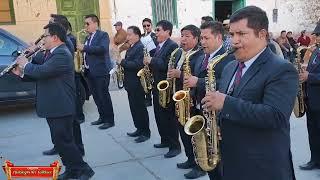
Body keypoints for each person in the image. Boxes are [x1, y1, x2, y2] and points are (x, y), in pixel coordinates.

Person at [202, 6, 298, 180]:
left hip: (262, 167)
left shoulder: (282, 69)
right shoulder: (230, 66)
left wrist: (225, 103)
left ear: (262, 34)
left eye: (241, 34)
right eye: (231, 35)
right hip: (231, 161)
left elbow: (275, 116)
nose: (234, 41)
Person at [12, 22, 94, 180]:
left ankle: (84, 170)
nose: (43, 39)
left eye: (45, 36)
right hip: (54, 105)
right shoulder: (52, 52)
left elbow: (42, 71)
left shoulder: (62, 53)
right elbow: (43, 74)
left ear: (55, 37)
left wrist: (26, 64)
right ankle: (72, 169)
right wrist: (20, 73)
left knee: (65, 142)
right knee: (60, 141)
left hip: (61, 106)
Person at [184, 21, 233, 180]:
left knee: (219, 157)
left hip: (217, 113)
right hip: (200, 109)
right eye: (201, 38)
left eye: (206, 38)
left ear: (219, 38)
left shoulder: (228, 59)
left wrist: (197, 81)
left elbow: (226, 84)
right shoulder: (201, 57)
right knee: (207, 154)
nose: (202, 42)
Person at [42, 14, 85, 157]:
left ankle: (77, 150)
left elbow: (52, 65)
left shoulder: (65, 43)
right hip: (61, 89)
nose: (49, 25)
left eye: (51, 23)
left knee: (71, 125)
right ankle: (60, 146)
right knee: (64, 129)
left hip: (66, 89)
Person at [167, 24, 205, 179]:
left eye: (187, 36)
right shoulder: (178, 53)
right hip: (180, 98)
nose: (183, 39)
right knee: (183, 132)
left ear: (196, 39)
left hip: (192, 100)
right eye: (182, 35)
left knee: (194, 135)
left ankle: (199, 165)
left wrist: (179, 74)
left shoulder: (199, 55)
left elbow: (196, 76)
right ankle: (190, 159)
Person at [144, 20, 181, 158]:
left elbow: (167, 66)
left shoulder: (172, 46)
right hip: (157, 86)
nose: (156, 32)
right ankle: (165, 140)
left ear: (167, 32)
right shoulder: (159, 45)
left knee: (168, 117)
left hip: (166, 88)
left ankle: (174, 146)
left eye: (158, 30)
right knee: (159, 116)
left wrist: (151, 60)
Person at [77, 14, 115, 130]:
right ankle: (102, 117)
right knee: (97, 97)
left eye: (87, 23)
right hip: (89, 71)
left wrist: (84, 48)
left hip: (101, 71)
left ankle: (109, 120)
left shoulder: (103, 35)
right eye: (85, 23)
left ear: (95, 23)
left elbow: (102, 49)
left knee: (104, 96)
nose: (85, 26)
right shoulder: (88, 37)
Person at [119, 26, 151, 143]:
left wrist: (122, 62)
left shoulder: (140, 47)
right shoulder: (131, 47)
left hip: (137, 83)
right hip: (130, 82)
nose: (127, 37)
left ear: (137, 36)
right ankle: (139, 128)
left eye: (130, 35)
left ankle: (145, 132)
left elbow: (137, 64)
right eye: (127, 35)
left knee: (140, 108)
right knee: (134, 108)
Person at [299, 23, 320, 171]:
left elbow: (313, 75)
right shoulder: (315, 50)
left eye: (318, 35)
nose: (315, 37)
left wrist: (309, 77)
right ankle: (315, 160)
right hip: (311, 100)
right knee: (312, 132)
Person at [141, 18, 158, 107]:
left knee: (153, 80)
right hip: (144, 62)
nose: (146, 27)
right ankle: (148, 99)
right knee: (146, 79)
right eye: (144, 26)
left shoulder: (155, 36)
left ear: (151, 25)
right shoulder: (141, 36)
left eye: (148, 25)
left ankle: (154, 97)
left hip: (153, 60)